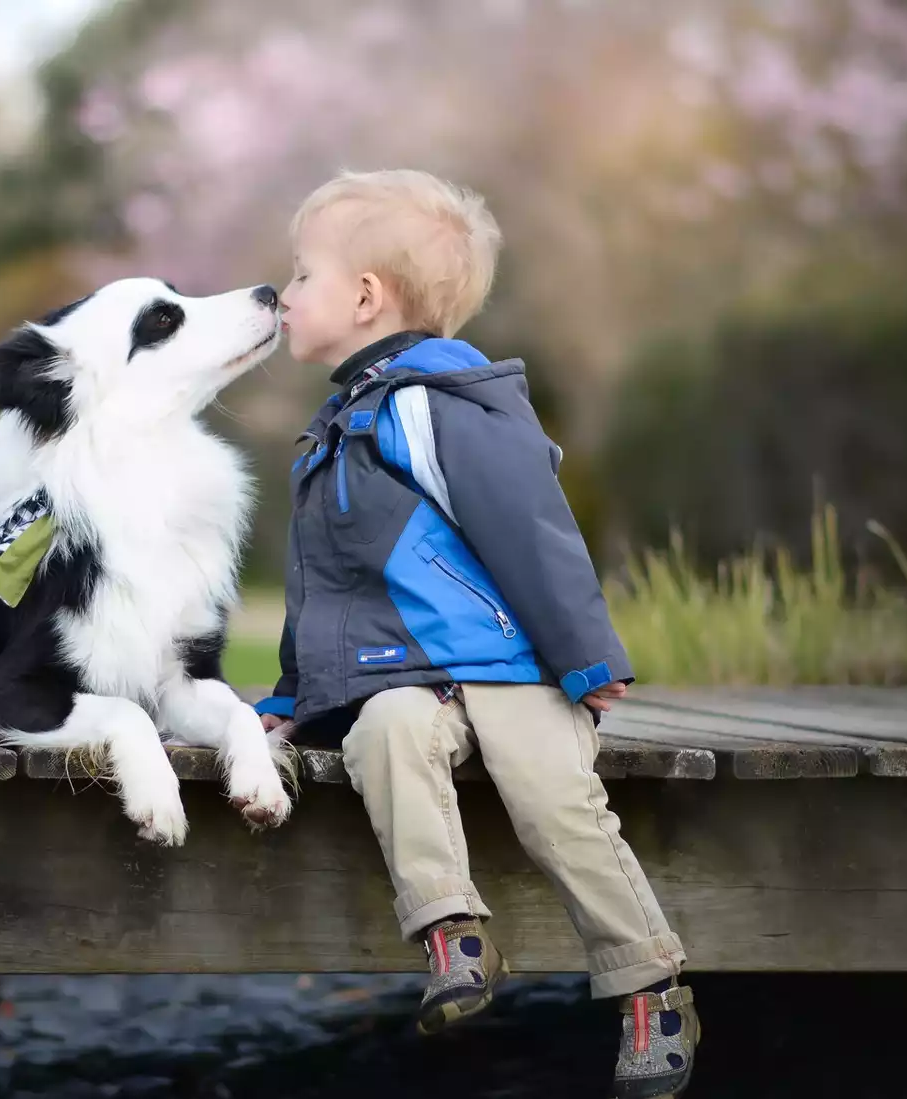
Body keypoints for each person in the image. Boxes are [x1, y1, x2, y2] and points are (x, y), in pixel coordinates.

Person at [253, 169, 699, 1097]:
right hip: (403, 677)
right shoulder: (338, 425)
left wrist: (585, 658)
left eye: (300, 276)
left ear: (367, 296)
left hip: (511, 668)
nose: (283, 295)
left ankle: (648, 982)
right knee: (385, 734)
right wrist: (292, 698)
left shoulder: (435, 406)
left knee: (556, 804)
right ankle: (453, 933)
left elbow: (531, 531)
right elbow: (325, 589)